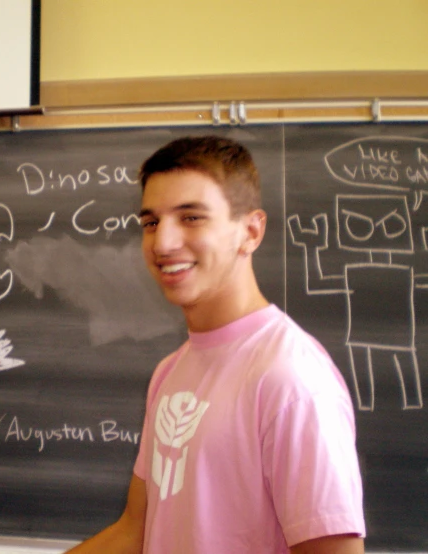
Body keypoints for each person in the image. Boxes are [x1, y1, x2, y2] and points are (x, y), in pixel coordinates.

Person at [67, 136, 366, 554]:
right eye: (151, 222)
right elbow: (136, 529)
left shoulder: (291, 379)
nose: (163, 243)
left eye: (191, 218)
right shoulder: (171, 371)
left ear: (250, 231)